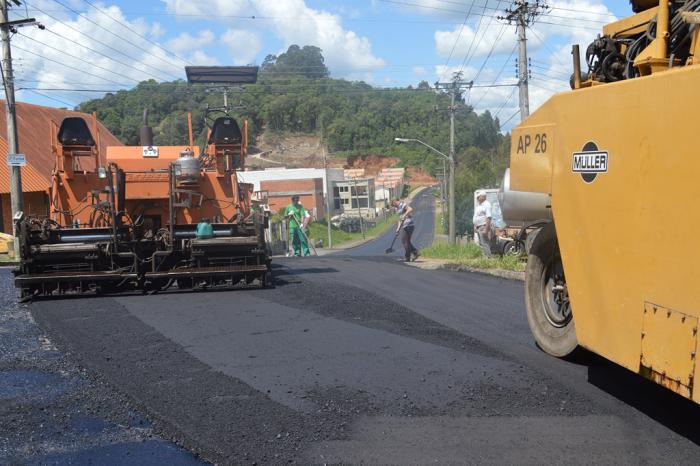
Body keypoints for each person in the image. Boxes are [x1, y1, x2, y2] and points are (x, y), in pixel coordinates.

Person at [473, 190, 492, 257]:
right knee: (481, 243)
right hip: (478, 227)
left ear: (483, 197)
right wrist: (475, 226)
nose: (477, 198)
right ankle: (484, 257)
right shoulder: (479, 206)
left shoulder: (487, 204)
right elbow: (476, 217)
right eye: (477, 197)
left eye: (479, 197)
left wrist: (486, 229)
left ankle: (488, 257)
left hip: (483, 226)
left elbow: (488, 217)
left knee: (485, 243)